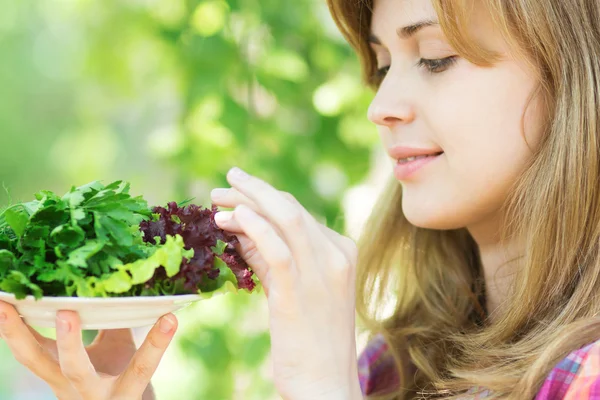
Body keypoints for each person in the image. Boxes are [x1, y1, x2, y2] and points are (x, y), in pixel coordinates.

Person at [2, 0, 600, 398]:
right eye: (384, 64)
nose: (380, 106)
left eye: (436, 57)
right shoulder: (395, 368)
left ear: (572, 73)